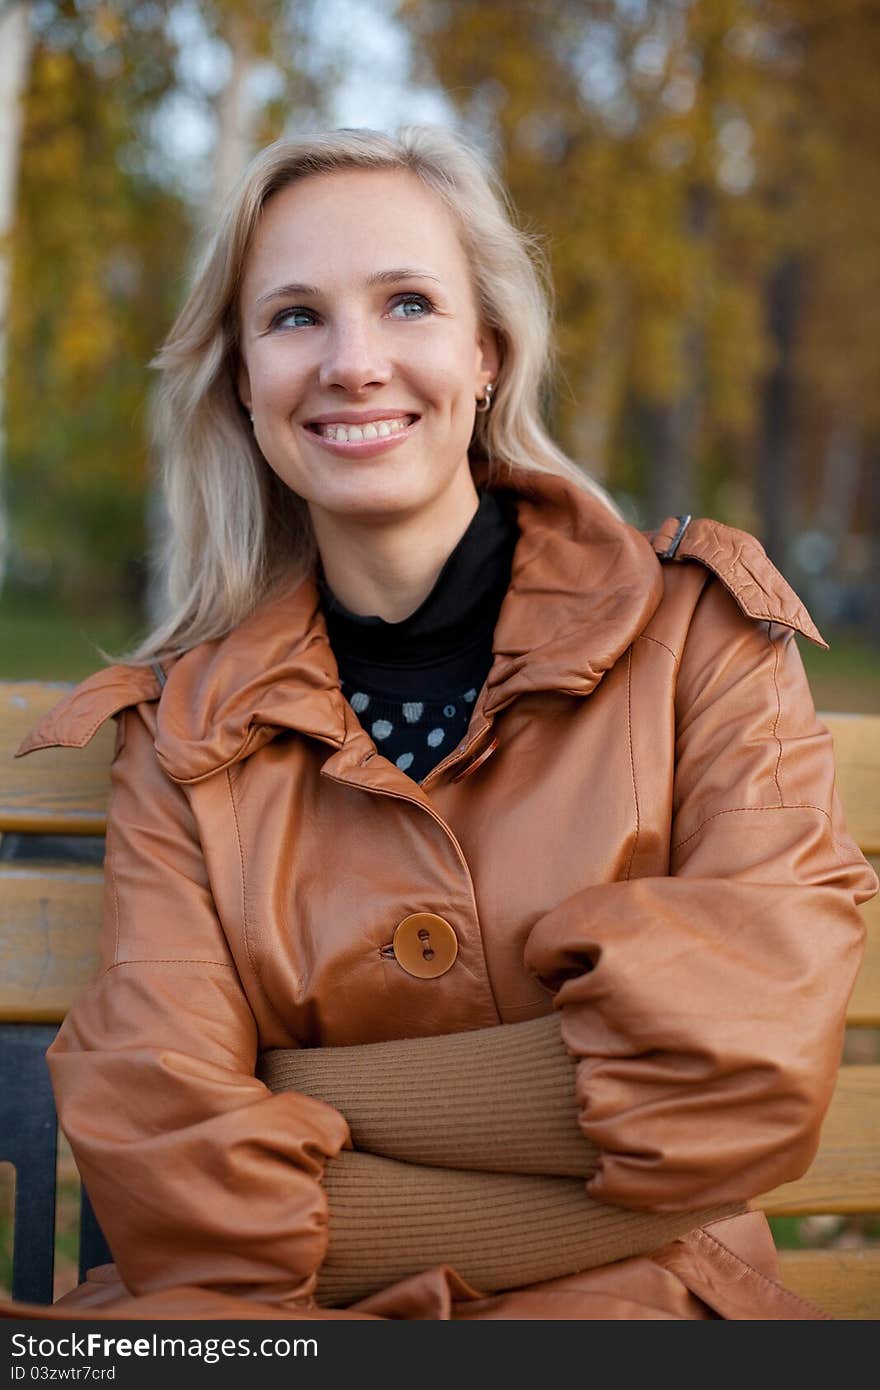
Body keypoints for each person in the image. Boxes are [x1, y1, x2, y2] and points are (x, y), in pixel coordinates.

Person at [11, 124, 878, 1322]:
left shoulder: (697, 635)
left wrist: (304, 1089)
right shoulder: (182, 735)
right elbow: (178, 1184)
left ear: (488, 352)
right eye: (294, 317)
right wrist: (583, 1152)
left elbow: (734, 1071)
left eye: (407, 302)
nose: (353, 362)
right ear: (241, 380)